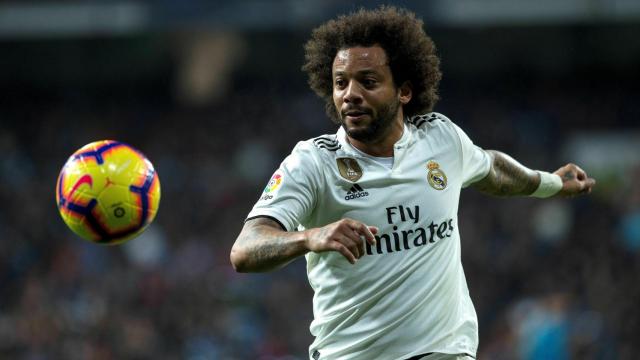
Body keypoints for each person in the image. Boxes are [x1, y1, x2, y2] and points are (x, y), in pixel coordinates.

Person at [230, 6, 595, 360]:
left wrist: (549, 182)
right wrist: (309, 237)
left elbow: (490, 168)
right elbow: (245, 250)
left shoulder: (440, 138)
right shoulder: (313, 163)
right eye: (341, 83)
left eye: (368, 81)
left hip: (445, 351)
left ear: (404, 91)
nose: (350, 94)